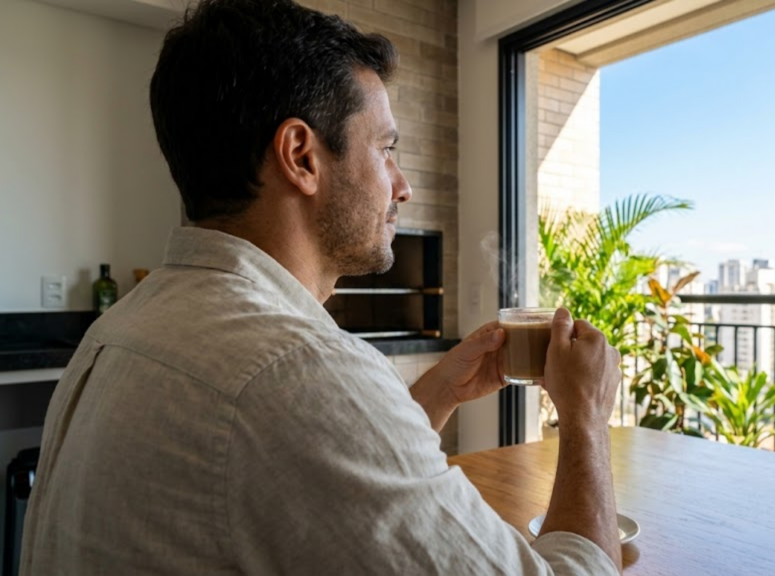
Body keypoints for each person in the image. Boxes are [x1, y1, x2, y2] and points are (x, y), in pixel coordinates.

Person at [19, 0, 624, 574]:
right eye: (385, 149)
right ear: (301, 156)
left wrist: (435, 394)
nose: (403, 186)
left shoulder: (122, 327)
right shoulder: (293, 369)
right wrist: (585, 415)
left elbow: (291, 473)